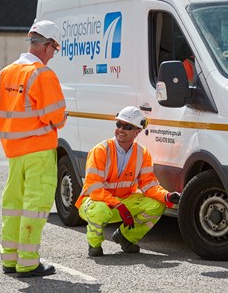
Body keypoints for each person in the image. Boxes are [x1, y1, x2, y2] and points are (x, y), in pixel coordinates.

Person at [0, 20, 67, 277]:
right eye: (54, 48)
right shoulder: (42, 74)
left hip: (13, 152)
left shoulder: (5, 73)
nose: (54, 53)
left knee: (14, 205)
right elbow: (56, 117)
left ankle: (10, 260)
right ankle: (28, 263)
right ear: (45, 46)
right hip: (39, 151)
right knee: (35, 206)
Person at [75, 106, 181, 257]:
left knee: (157, 205)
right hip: (94, 202)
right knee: (100, 210)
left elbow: (149, 184)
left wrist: (167, 196)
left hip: (122, 203)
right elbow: (94, 188)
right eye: (119, 124)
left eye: (128, 127)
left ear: (137, 131)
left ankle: (126, 237)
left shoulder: (142, 154)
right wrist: (117, 205)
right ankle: (94, 244)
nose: (121, 130)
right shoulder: (100, 150)